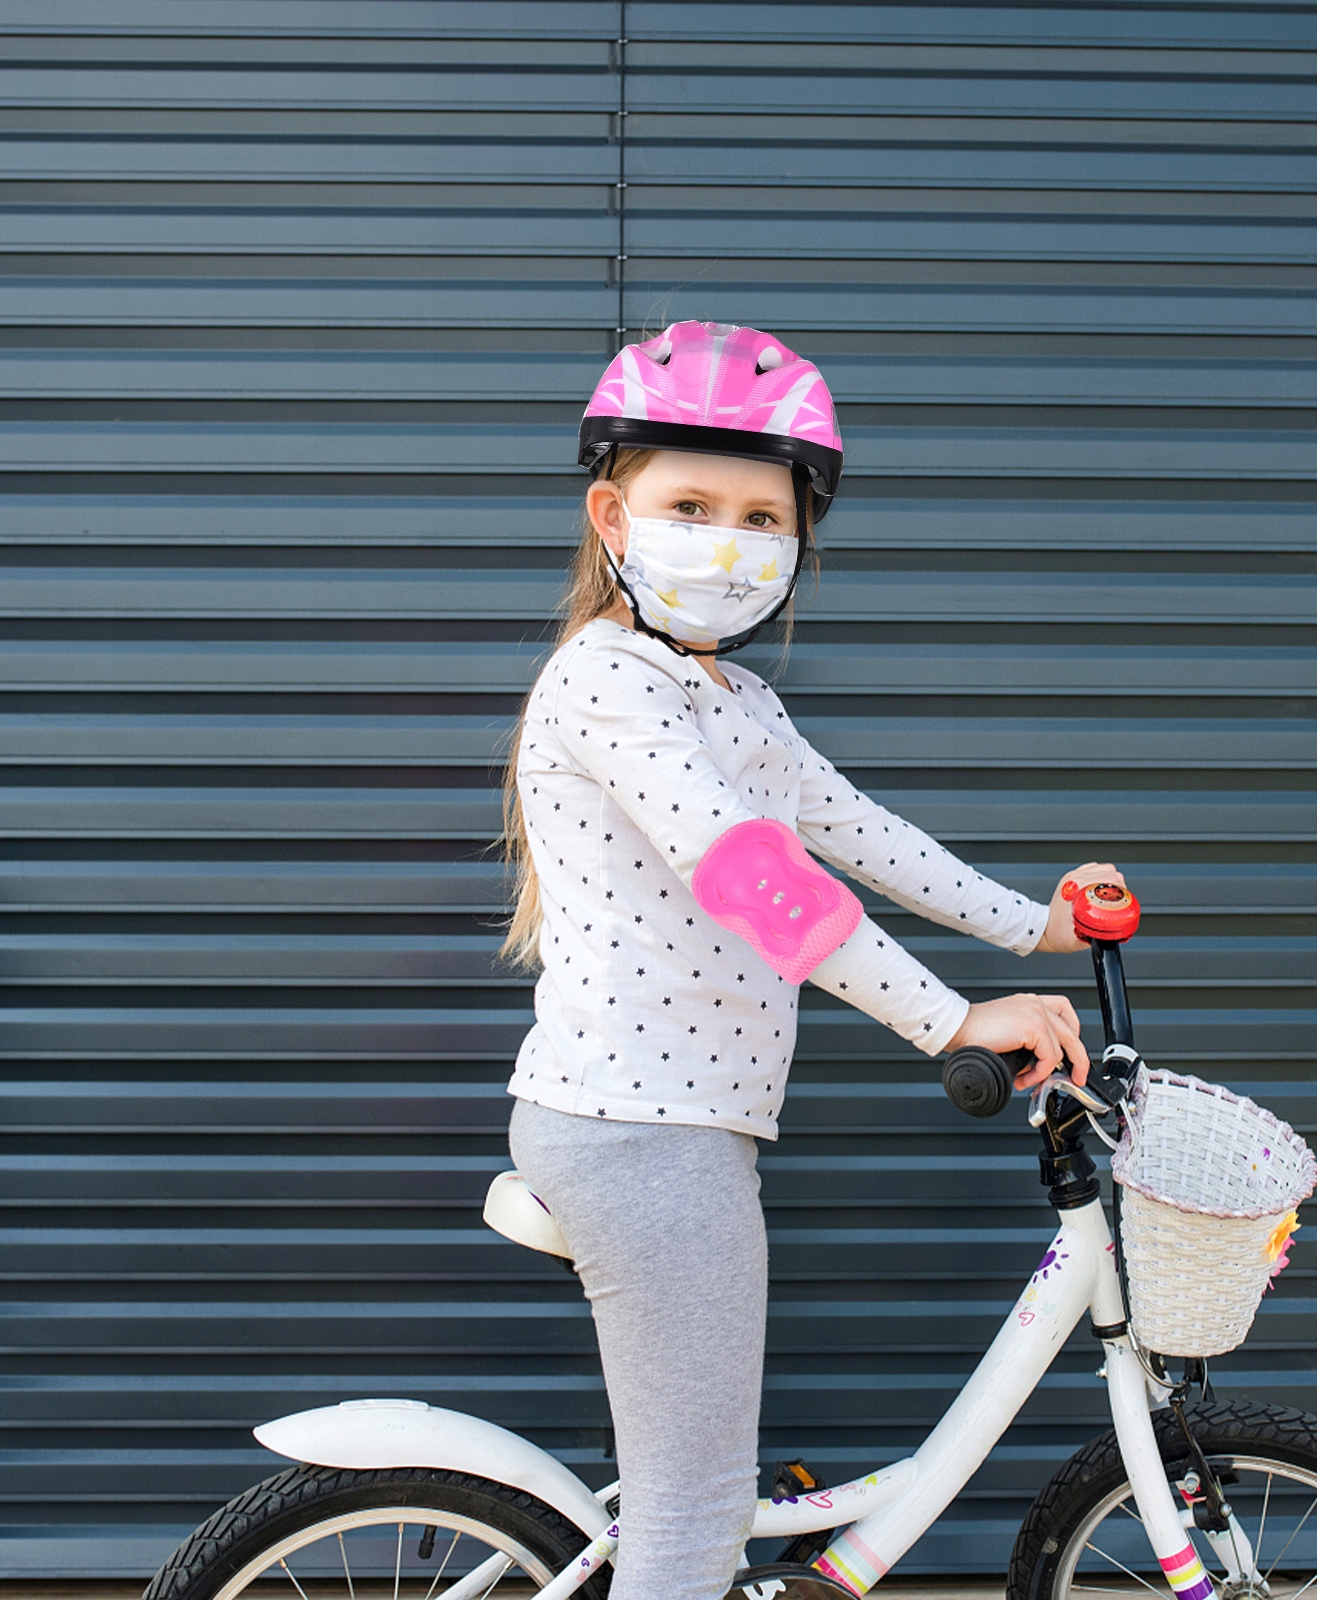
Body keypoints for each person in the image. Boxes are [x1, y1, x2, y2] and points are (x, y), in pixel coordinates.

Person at [498, 321, 1127, 1600]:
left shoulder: (736, 701)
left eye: (758, 515)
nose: (726, 540)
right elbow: (748, 875)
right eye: (690, 504)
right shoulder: (606, 682)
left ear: (795, 542)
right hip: (637, 1132)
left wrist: (1034, 923)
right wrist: (949, 1020)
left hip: (682, 1127)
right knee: (692, 1519)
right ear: (614, 516)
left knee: (701, 1488)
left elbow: (859, 832)